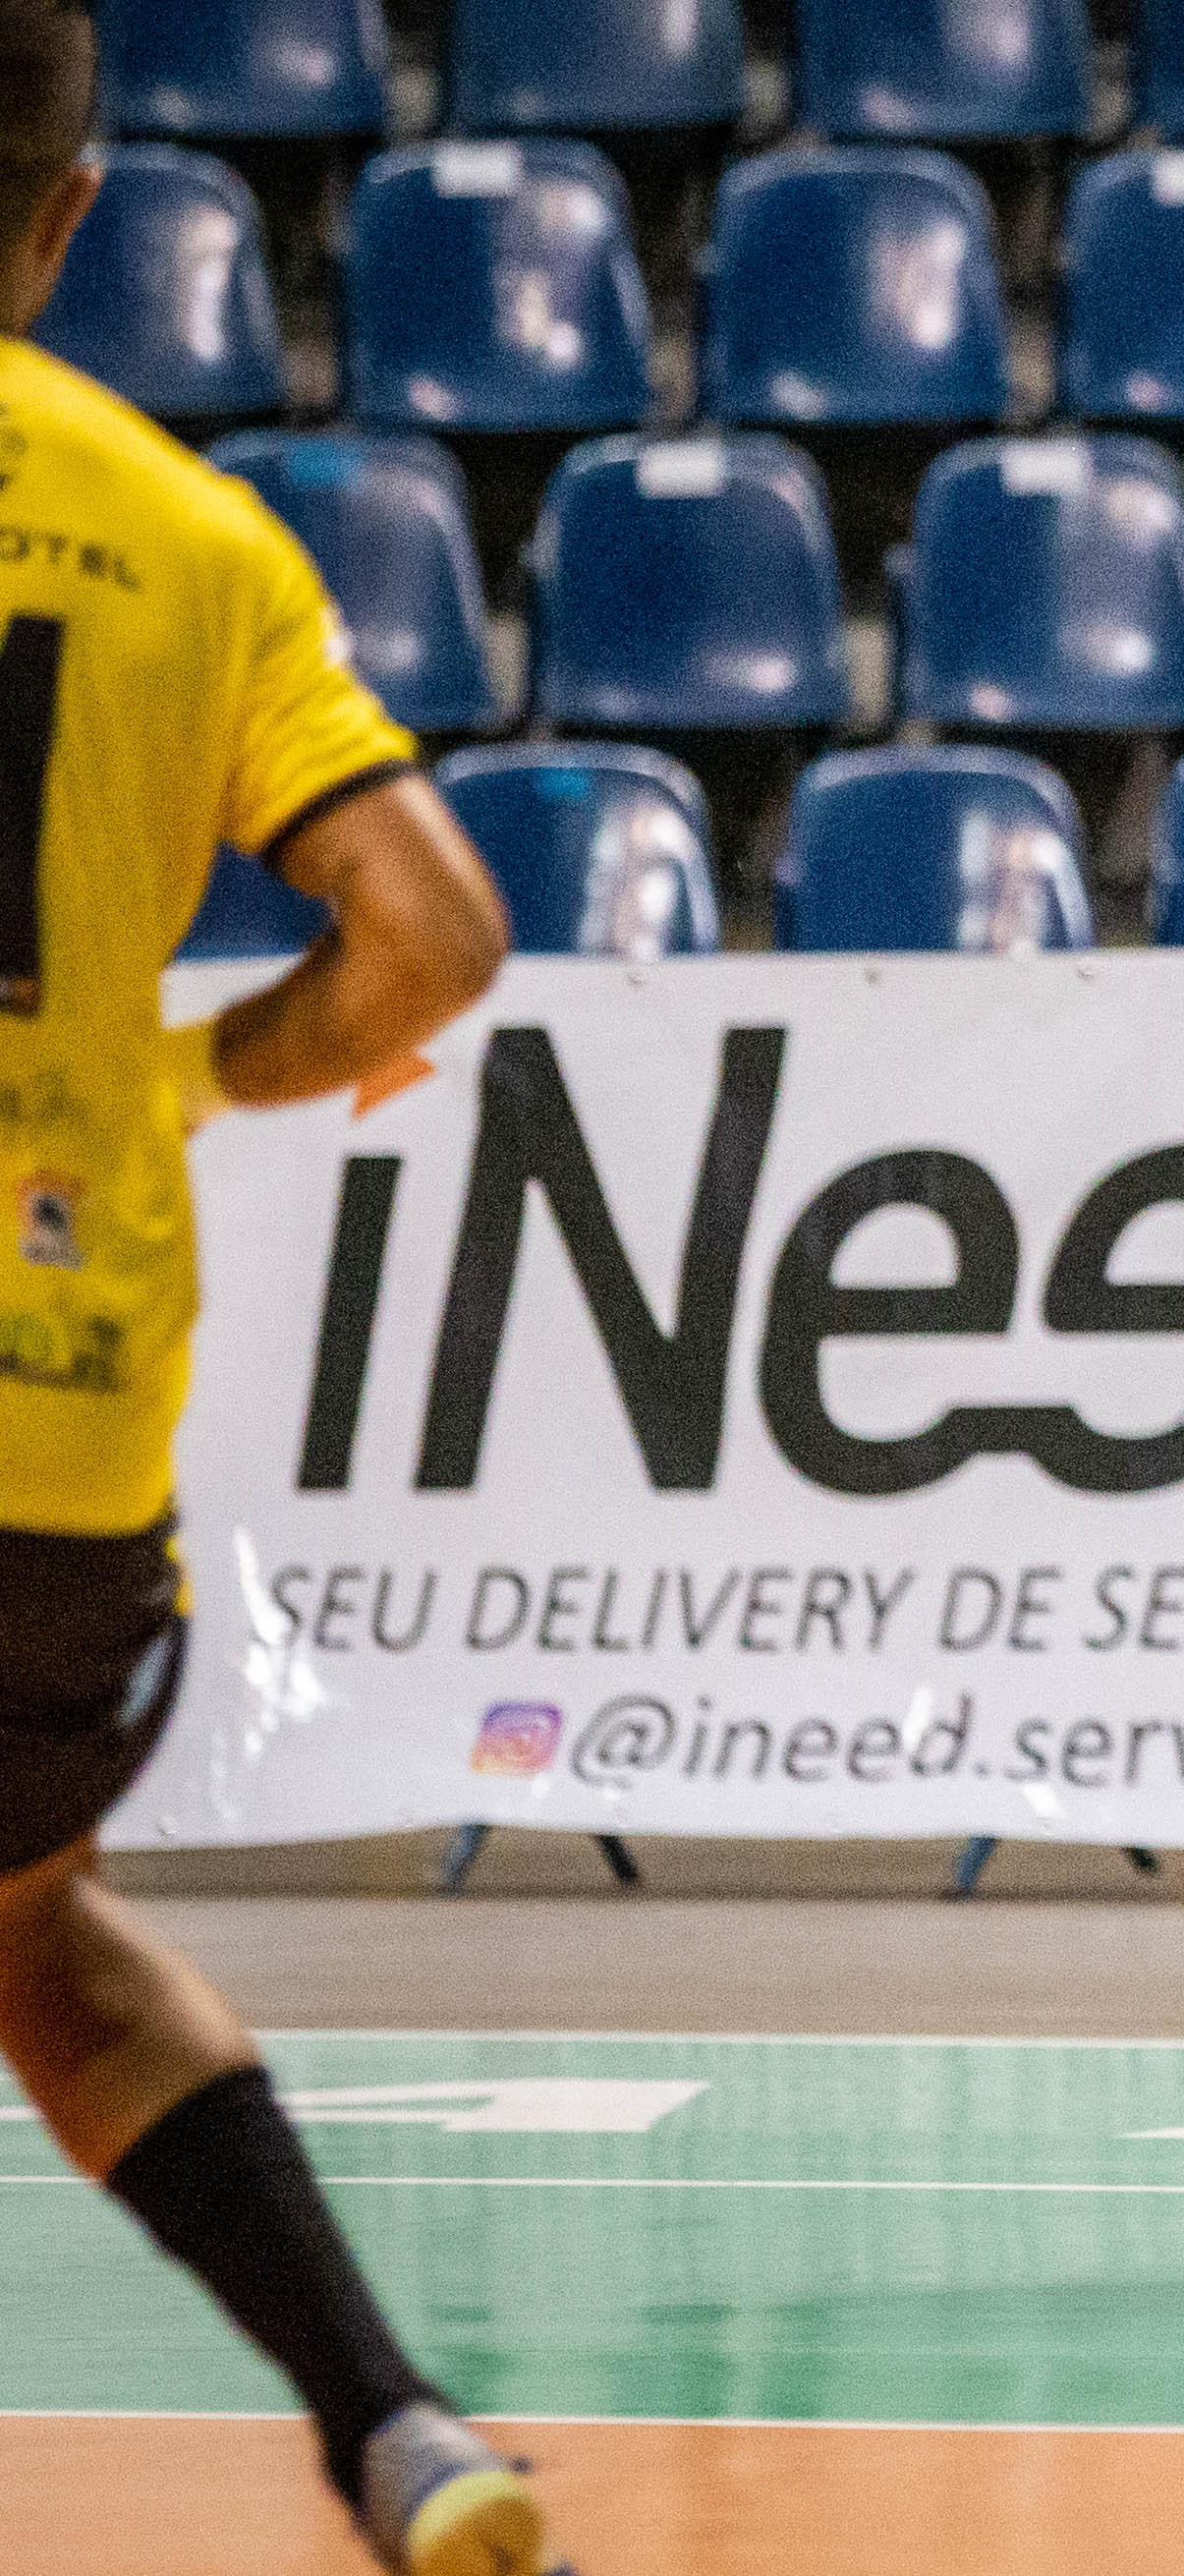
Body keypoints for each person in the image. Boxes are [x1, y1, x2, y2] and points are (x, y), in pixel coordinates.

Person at [0, 12, 562, 2570]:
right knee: (42, 1938)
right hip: (59, 1431)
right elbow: (437, 931)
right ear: (73, 206)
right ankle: (391, 2419)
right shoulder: (182, 539)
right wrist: (199, 1076)